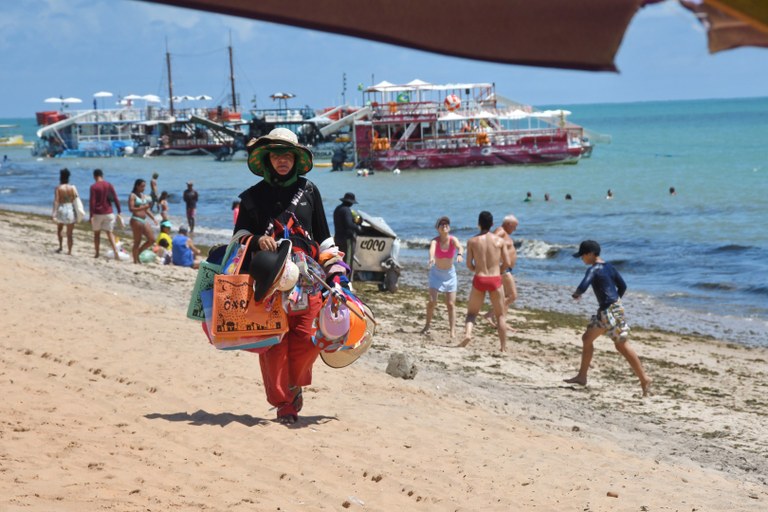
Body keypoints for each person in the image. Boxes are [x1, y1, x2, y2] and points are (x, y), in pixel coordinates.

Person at [234, 127, 331, 425]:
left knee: (308, 338)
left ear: (296, 158)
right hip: (267, 280)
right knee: (274, 343)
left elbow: (325, 237)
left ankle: (294, 383)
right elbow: (237, 236)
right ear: (267, 160)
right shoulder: (251, 198)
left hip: (307, 278)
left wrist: (338, 273)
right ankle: (284, 405)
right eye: (276, 156)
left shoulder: (310, 191)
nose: (282, 161)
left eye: (287, 155)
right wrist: (253, 240)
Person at [565, 240, 652, 397]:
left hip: (609, 310)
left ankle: (645, 379)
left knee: (621, 345)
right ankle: (582, 376)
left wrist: (577, 293)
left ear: (591, 254)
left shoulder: (594, 268)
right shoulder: (610, 267)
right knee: (586, 338)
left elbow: (585, 283)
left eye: (582, 256)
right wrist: (615, 302)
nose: (582, 259)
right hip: (609, 309)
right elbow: (623, 286)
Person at [458, 211, 512, 352]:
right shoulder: (500, 241)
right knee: (500, 315)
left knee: (471, 313)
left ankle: (468, 334)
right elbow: (507, 262)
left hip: (480, 278)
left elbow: (469, 265)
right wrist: (498, 271)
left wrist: (478, 269)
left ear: (478, 224)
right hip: (495, 279)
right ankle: (503, 347)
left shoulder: (472, 241)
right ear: (492, 224)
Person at [422, 216, 464, 338]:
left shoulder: (452, 239)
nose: (445, 225)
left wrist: (460, 254)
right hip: (436, 274)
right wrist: (431, 258)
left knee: (451, 304)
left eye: (446, 224)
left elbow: (460, 247)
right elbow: (432, 250)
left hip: (450, 275)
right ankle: (427, 325)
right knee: (432, 301)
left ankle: (452, 331)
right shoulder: (435, 241)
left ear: (449, 227)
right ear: (437, 228)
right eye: (442, 224)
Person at [485, 214, 518, 326]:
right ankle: (490, 314)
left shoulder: (505, 234)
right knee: (512, 296)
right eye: (514, 226)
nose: (515, 229)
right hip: (503, 269)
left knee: (505, 297)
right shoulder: (501, 231)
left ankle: (502, 323)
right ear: (509, 224)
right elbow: (490, 241)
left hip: (505, 268)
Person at [89, 168, 122, 260]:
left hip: (98, 213)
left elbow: (92, 202)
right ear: (102, 175)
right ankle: (115, 251)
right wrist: (119, 210)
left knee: (96, 234)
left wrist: (91, 216)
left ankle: (97, 253)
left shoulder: (93, 187)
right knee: (109, 233)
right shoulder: (109, 185)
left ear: (94, 176)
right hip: (109, 213)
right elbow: (115, 198)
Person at [128, 178, 157, 264]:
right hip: (136, 219)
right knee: (137, 241)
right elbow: (131, 208)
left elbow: (147, 210)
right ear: (137, 186)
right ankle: (135, 261)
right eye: (142, 186)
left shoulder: (143, 195)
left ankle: (138, 252)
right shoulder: (132, 195)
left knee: (152, 239)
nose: (143, 188)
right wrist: (143, 207)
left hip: (143, 219)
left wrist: (153, 218)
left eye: (144, 186)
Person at [52, 168, 79, 255]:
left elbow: (56, 200)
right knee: (70, 233)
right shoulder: (72, 188)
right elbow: (75, 200)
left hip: (62, 208)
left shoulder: (58, 188)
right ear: (68, 177)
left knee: (60, 229)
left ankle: (60, 247)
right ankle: (69, 251)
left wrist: (54, 212)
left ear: (60, 177)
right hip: (70, 208)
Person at [333, 192, 362, 268]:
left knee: (339, 259)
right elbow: (349, 224)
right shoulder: (346, 210)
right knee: (347, 260)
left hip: (337, 238)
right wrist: (358, 228)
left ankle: (340, 276)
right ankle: (347, 278)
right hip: (346, 240)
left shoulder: (338, 209)